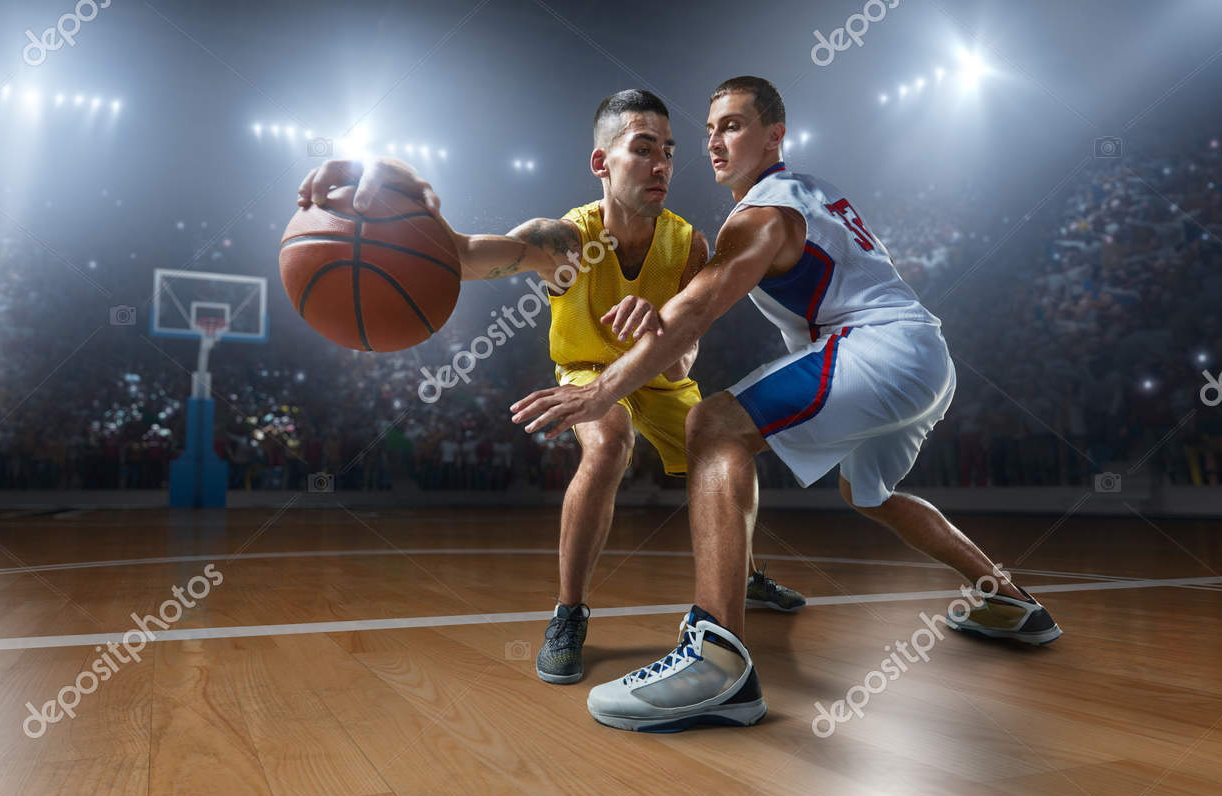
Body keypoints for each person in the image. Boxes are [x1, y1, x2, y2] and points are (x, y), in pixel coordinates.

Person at [510, 76, 1063, 732]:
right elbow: (689, 315)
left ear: (775, 135)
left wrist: (603, 388)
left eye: (735, 125)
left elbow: (694, 313)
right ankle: (1008, 601)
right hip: (923, 357)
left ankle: (716, 661)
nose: (715, 140)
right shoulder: (809, 191)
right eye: (711, 128)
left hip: (877, 348)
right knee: (870, 494)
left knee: (712, 424)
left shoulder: (762, 215)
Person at [297, 89, 806, 687]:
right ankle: (569, 615)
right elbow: (460, 256)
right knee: (610, 442)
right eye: (643, 149)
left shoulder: (690, 244)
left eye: (668, 151)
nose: (662, 164)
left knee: (720, 444)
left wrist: (660, 330)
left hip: (654, 371)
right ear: (602, 163)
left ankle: (741, 574)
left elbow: (681, 360)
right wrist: (403, 188)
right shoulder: (563, 242)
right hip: (587, 373)